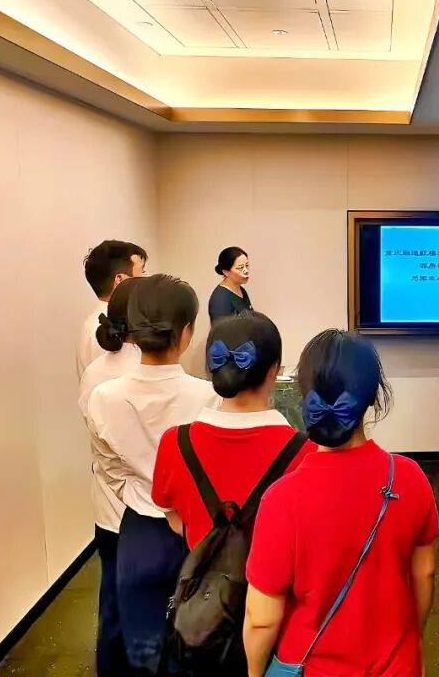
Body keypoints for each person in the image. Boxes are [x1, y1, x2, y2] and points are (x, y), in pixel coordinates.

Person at [243, 330, 438, 676]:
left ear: (304, 397)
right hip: (396, 665)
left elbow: (261, 619)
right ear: (373, 397)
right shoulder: (411, 479)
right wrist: (414, 642)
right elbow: (424, 574)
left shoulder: (281, 499)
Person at [87, 274, 218, 676]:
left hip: (138, 529)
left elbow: (109, 469)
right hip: (196, 530)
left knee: (141, 646)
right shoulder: (209, 396)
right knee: (197, 641)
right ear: (186, 332)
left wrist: (140, 491)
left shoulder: (104, 396)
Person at [152, 312, 316, 549]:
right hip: (276, 572)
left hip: (204, 570)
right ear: (274, 370)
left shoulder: (175, 442)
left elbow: (175, 519)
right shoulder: (307, 453)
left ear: (212, 368)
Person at [76, 276, 142, 677]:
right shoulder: (150, 374)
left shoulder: (94, 373)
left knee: (113, 600)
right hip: (149, 512)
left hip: (109, 508)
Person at [77, 240, 147, 378]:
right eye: (142, 272)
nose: (146, 279)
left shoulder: (96, 323)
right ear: (120, 279)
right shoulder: (107, 330)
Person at [208, 247, 253, 324]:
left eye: (247, 266)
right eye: (240, 268)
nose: (246, 271)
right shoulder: (220, 299)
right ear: (226, 272)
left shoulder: (241, 290)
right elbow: (222, 329)